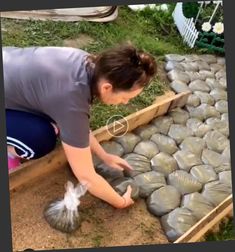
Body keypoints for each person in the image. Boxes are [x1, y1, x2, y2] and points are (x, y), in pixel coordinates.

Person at [3, 43, 157, 209]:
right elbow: (86, 177)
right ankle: (10, 151)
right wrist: (121, 202)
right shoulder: (71, 98)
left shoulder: (88, 64)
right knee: (40, 141)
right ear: (107, 87)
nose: (125, 102)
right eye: (126, 98)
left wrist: (104, 155)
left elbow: (78, 125)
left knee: (54, 124)